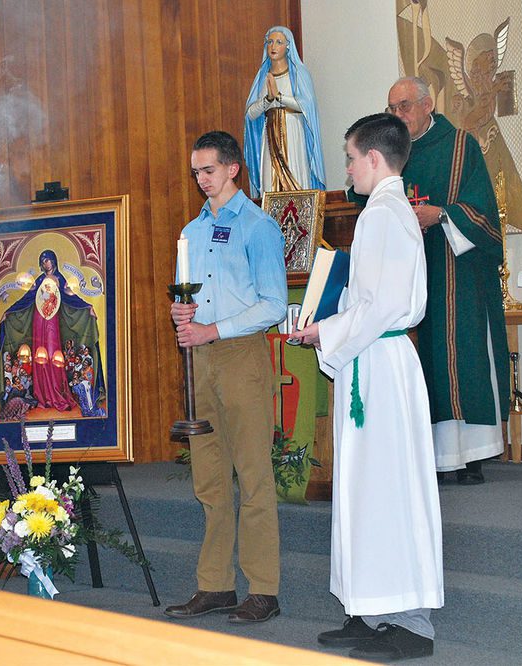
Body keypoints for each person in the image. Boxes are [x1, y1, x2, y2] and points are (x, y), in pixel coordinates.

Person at [291, 113, 443, 661]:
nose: (348, 168)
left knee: (388, 489)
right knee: (364, 488)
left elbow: (376, 308)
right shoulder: (386, 212)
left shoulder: (383, 215)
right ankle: (367, 609)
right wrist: (333, 328)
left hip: (380, 361)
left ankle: (409, 625)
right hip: (374, 360)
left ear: (374, 160)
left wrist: (322, 331)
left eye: (352, 157)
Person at [165, 131, 286, 624]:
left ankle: (264, 588)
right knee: (209, 477)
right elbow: (188, 294)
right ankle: (214, 584)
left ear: (233, 168)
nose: (201, 180)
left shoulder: (258, 226)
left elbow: (274, 305)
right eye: (195, 172)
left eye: (208, 171)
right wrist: (181, 315)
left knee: (253, 475)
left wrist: (214, 327)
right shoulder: (193, 231)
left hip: (240, 356)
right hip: (202, 359)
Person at [385, 76, 509, 485]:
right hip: (414, 275)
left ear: (427, 105)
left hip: (459, 272)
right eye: (392, 109)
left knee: (461, 354)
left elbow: (485, 213)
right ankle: (435, 458)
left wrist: (440, 214)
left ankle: (472, 456)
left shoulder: (461, 146)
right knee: (427, 360)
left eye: (404, 106)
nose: (398, 115)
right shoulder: (392, 156)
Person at [0, 249, 105, 415]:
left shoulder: (60, 279)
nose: (45, 263)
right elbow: (27, 299)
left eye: (48, 260)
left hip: (52, 320)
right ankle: (42, 394)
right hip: (38, 320)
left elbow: (71, 297)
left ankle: (56, 393)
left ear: (53, 261)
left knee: (54, 355)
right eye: (43, 260)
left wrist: (88, 307)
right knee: (40, 356)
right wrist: (9, 311)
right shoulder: (39, 280)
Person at [243, 25, 326, 198]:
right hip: (270, 134)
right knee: (269, 182)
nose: (273, 46)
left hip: (293, 130)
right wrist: (267, 100)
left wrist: (279, 97)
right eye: (270, 42)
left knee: (296, 177)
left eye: (279, 42)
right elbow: (250, 114)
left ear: (288, 46)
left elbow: (307, 105)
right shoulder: (263, 76)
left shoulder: (298, 73)